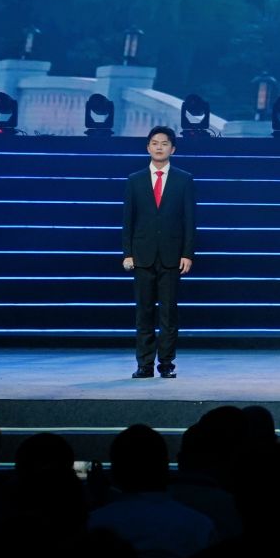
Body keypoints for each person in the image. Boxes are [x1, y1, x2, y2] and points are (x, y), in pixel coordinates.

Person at [122, 124, 195, 379]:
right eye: (155, 143)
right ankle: (144, 365)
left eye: (164, 144)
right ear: (148, 148)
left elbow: (189, 220)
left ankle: (166, 364)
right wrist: (128, 253)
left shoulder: (184, 179)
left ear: (173, 149)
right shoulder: (135, 180)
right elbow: (128, 220)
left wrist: (187, 254)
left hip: (172, 256)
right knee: (143, 312)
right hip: (142, 256)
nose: (159, 147)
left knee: (168, 313)